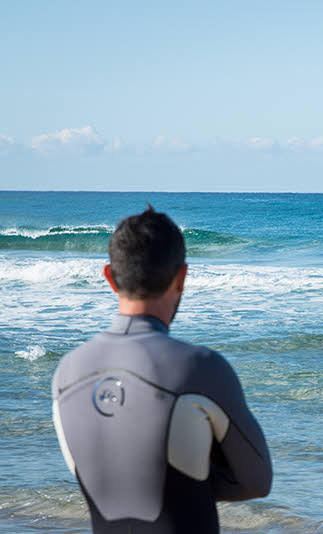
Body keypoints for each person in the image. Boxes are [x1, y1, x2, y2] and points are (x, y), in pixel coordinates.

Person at [51, 206, 272, 534]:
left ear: (109, 277)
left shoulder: (66, 373)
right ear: (181, 277)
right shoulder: (201, 368)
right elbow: (256, 481)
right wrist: (190, 471)